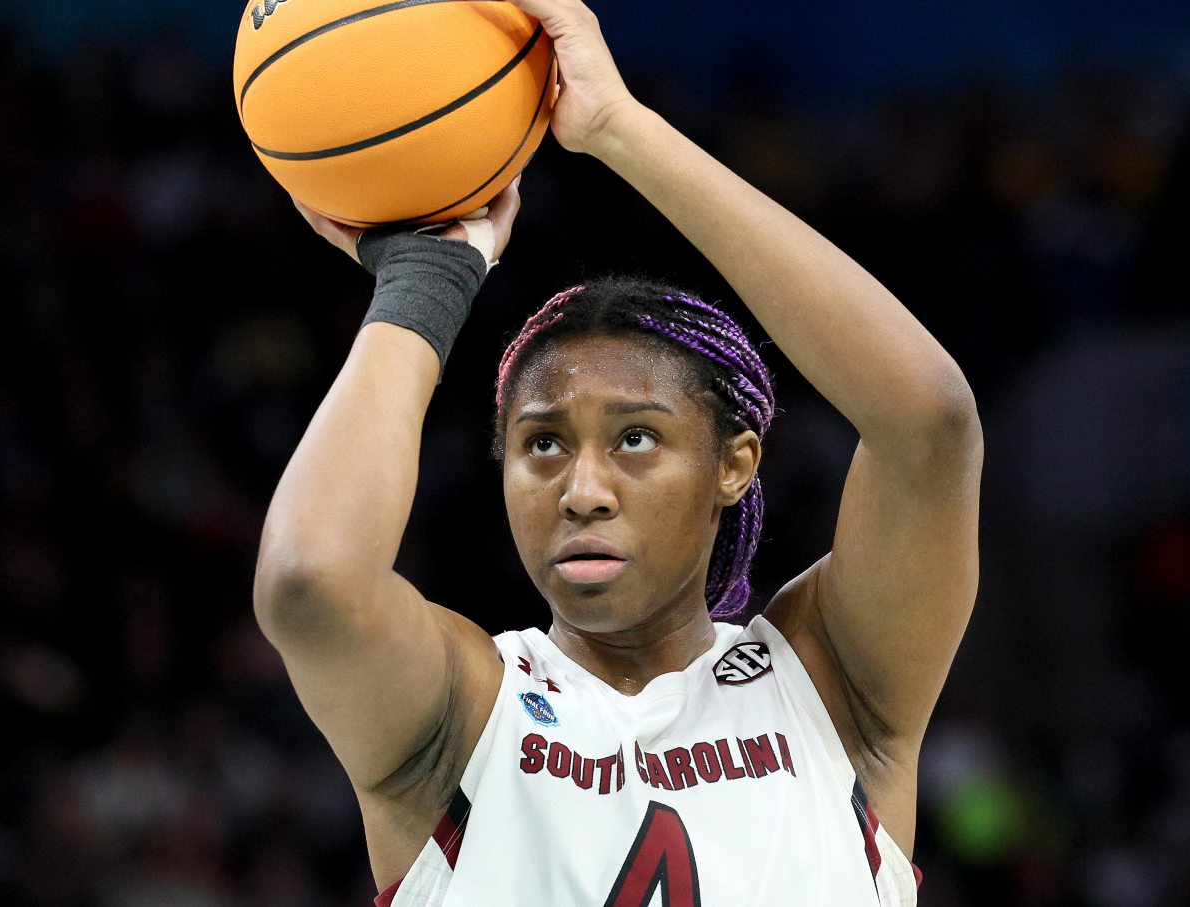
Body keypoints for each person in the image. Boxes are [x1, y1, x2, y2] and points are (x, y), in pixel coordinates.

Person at [254, 0, 982, 903]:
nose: (582, 489)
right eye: (543, 444)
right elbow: (307, 580)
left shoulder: (833, 689)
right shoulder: (463, 717)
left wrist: (619, 128)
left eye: (636, 438)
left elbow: (930, 423)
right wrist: (426, 281)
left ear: (735, 463)